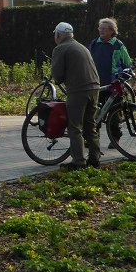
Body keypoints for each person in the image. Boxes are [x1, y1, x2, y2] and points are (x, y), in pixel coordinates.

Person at [50, 21, 101, 170]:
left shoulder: (61, 48)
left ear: (58, 35)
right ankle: (94, 159)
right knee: (90, 125)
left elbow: (57, 76)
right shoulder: (81, 46)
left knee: (75, 127)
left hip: (78, 90)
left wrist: (60, 77)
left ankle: (78, 162)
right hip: (94, 87)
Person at [88, 17, 132, 101]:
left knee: (114, 109)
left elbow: (127, 64)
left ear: (112, 30)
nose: (101, 30)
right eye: (100, 28)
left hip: (113, 83)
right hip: (97, 82)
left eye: (104, 28)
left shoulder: (118, 45)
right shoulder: (94, 43)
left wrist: (122, 78)